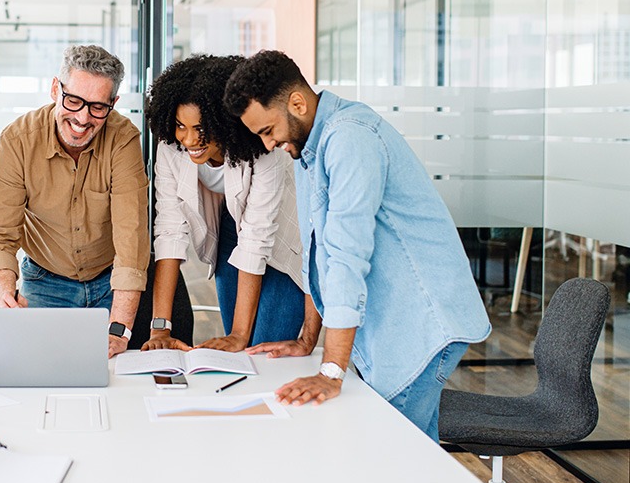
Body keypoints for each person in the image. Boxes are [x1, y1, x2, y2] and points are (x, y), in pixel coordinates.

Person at [226, 49, 490, 440]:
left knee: (387, 455)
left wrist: (331, 371)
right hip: (389, 328)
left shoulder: (350, 137)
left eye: (268, 131)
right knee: (402, 459)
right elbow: (320, 253)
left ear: (297, 103)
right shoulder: (308, 149)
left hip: (421, 325)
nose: (268, 144)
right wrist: (306, 340)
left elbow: (348, 255)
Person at [142, 54, 320, 354]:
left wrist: (240, 334)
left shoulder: (264, 148)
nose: (188, 139)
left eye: (200, 128)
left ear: (224, 123)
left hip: (281, 237)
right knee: (235, 347)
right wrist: (161, 327)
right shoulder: (171, 147)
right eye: (180, 125)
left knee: (262, 346)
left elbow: (257, 237)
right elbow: (170, 232)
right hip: (228, 225)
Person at [0, 45, 149, 358]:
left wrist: (119, 329)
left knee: (113, 379)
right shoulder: (18, 140)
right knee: (35, 370)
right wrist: (5, 292)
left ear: (113, 104)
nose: (83, 118)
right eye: (73, 101)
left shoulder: (123, 139)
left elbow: (132, 240)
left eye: (98, 107)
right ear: (55, 88)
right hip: (44, 280)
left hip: (110, 282)